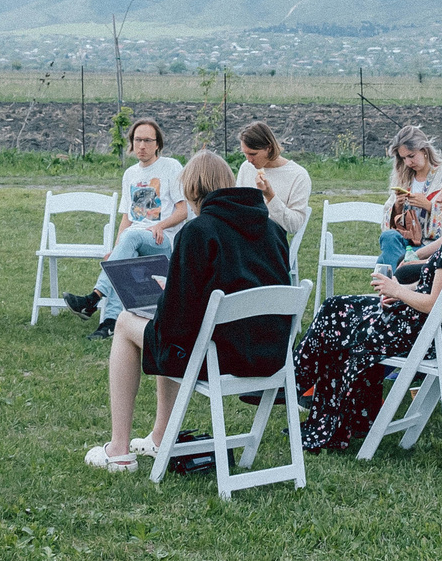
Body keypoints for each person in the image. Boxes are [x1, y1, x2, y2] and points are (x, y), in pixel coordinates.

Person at [84, 150, 290, 473]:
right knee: (166, 324)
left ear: (193, 192)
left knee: (126, 323)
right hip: (269, 354)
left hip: (219, 357)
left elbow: (177, 323)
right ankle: (160, 436)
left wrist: (168, 295)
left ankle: (119, 450)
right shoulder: (274, 231)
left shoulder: (198, 232)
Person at [292, 166, 442, 453]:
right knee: (337, 309)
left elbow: (433, 302)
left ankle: (295, 385)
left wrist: (397, 290)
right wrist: (400, 292)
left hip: (415, 333)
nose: (437, 199)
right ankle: (333, 410)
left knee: (336, 315)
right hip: (431, 331)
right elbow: (437, 293)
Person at [63, 118, 183, 338]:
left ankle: (93, 298)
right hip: (135, 239)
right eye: (137, 140)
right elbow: (127, 218)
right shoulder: (130, 174)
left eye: (148, 140)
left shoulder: (171, 167)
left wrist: (160, 225)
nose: (142, 146)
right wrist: (117, 250)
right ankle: (110, 322)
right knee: (128, 250)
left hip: (162, 240)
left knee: (133, 237)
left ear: (158, 144)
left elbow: (183, 209)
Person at [376, 127, 442, 271]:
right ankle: (400, 279)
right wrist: (397, 207)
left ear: (424, 150)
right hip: (404, 242)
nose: (408, 162)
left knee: (384, 259)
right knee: (389, 237)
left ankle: (396, 282)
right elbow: (386, 219)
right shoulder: (404, 177)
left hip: (429, 245)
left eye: (411, 156)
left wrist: (429, 207)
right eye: (403, 158)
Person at [235, 121, 310, 250]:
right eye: (245, 153)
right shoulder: (246, 168)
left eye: (253, 154)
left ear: (268, 148)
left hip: (272, 244)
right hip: (244, 238)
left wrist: (271, 197)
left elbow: (294, 225)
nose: (248, 159)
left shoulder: (298, 175)